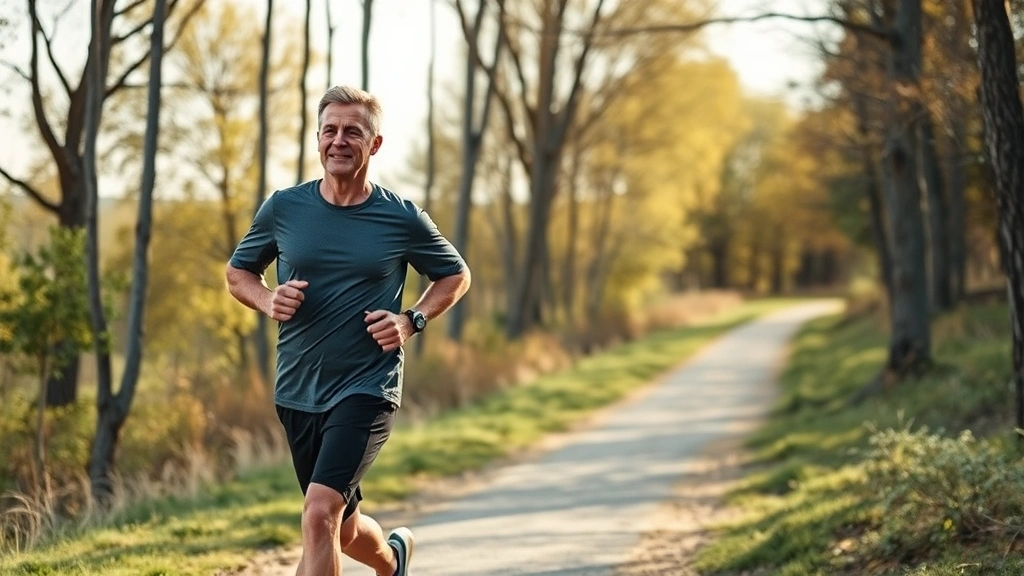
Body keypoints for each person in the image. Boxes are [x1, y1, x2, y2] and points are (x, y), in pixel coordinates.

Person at [225, 84, 471, 576]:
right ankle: (392, 563)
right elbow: (238, 274)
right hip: (297, 389)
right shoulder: (284, 208)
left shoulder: (399, 217)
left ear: (374, 145)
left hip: (367, 386)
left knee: (319, 515)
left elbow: (455, 274)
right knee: (342, 526)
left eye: (352, 132)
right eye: (329, 130)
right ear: (317, 140)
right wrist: (268, 298)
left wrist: (410, 319)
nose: (339, 140)